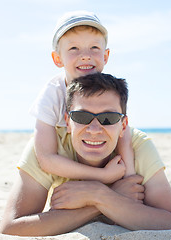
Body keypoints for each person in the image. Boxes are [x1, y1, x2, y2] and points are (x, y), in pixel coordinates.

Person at [0, 73, 171, 236]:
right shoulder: (48, 147)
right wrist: (102, 200)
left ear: (123, 125)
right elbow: (10, 228)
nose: (94, 129)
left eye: (108, 118)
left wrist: (96, 194)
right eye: (82, 117)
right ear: (68, 122)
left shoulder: (139, 146)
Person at [32, 10, 135, 184]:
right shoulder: (52, 94)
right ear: (58, 58)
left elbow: (123, 134)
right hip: (65, 157)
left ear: (105, 55)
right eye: (74, 48)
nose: (85, 55)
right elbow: (46, 157)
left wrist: (130, 176)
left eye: (94, 47)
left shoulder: (108, 90)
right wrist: (102, 176)